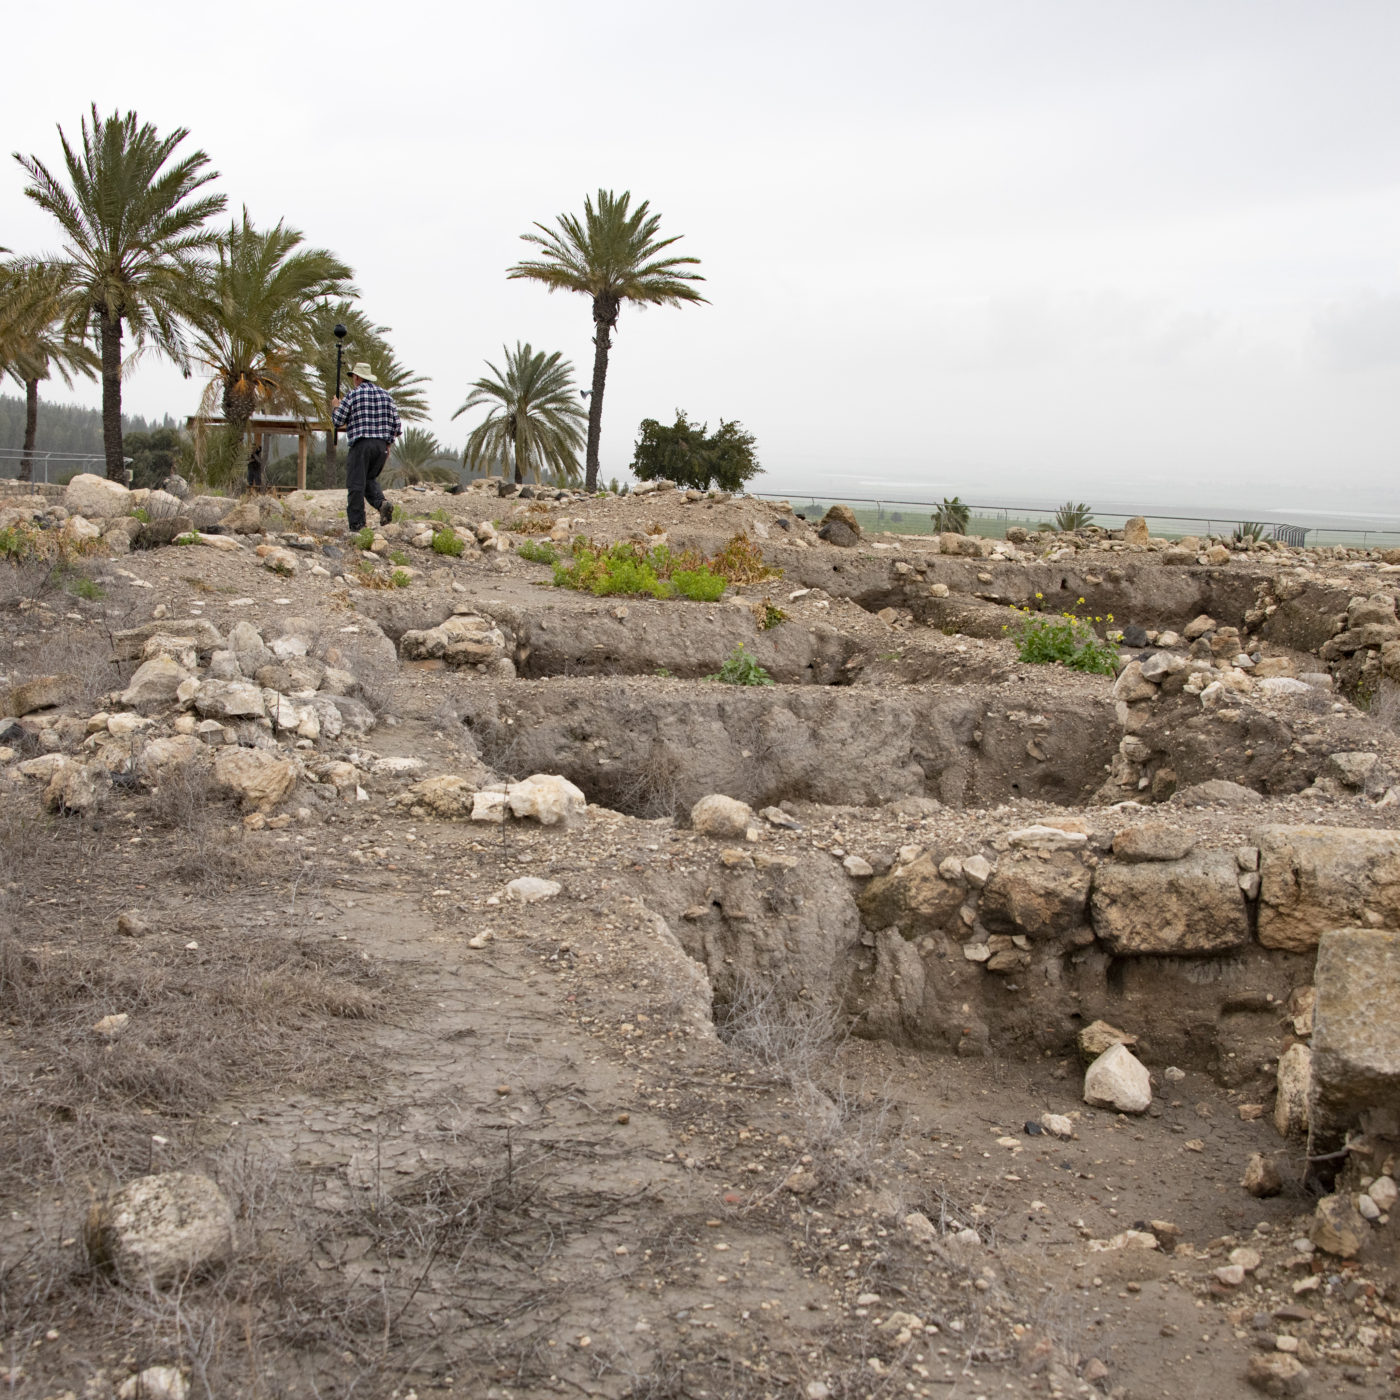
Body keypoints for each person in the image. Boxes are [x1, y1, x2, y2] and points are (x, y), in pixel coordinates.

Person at [331, 362, 402, 531]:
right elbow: (397, 426)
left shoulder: (353, 395)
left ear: (357, 377)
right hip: (381, 447)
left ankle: (357, 525)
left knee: (356, 484)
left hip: (361, 445)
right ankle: (381, 504)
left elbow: (338, 421)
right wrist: (388, 444)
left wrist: (335, 407)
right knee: (369, 479)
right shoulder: (386, 396)